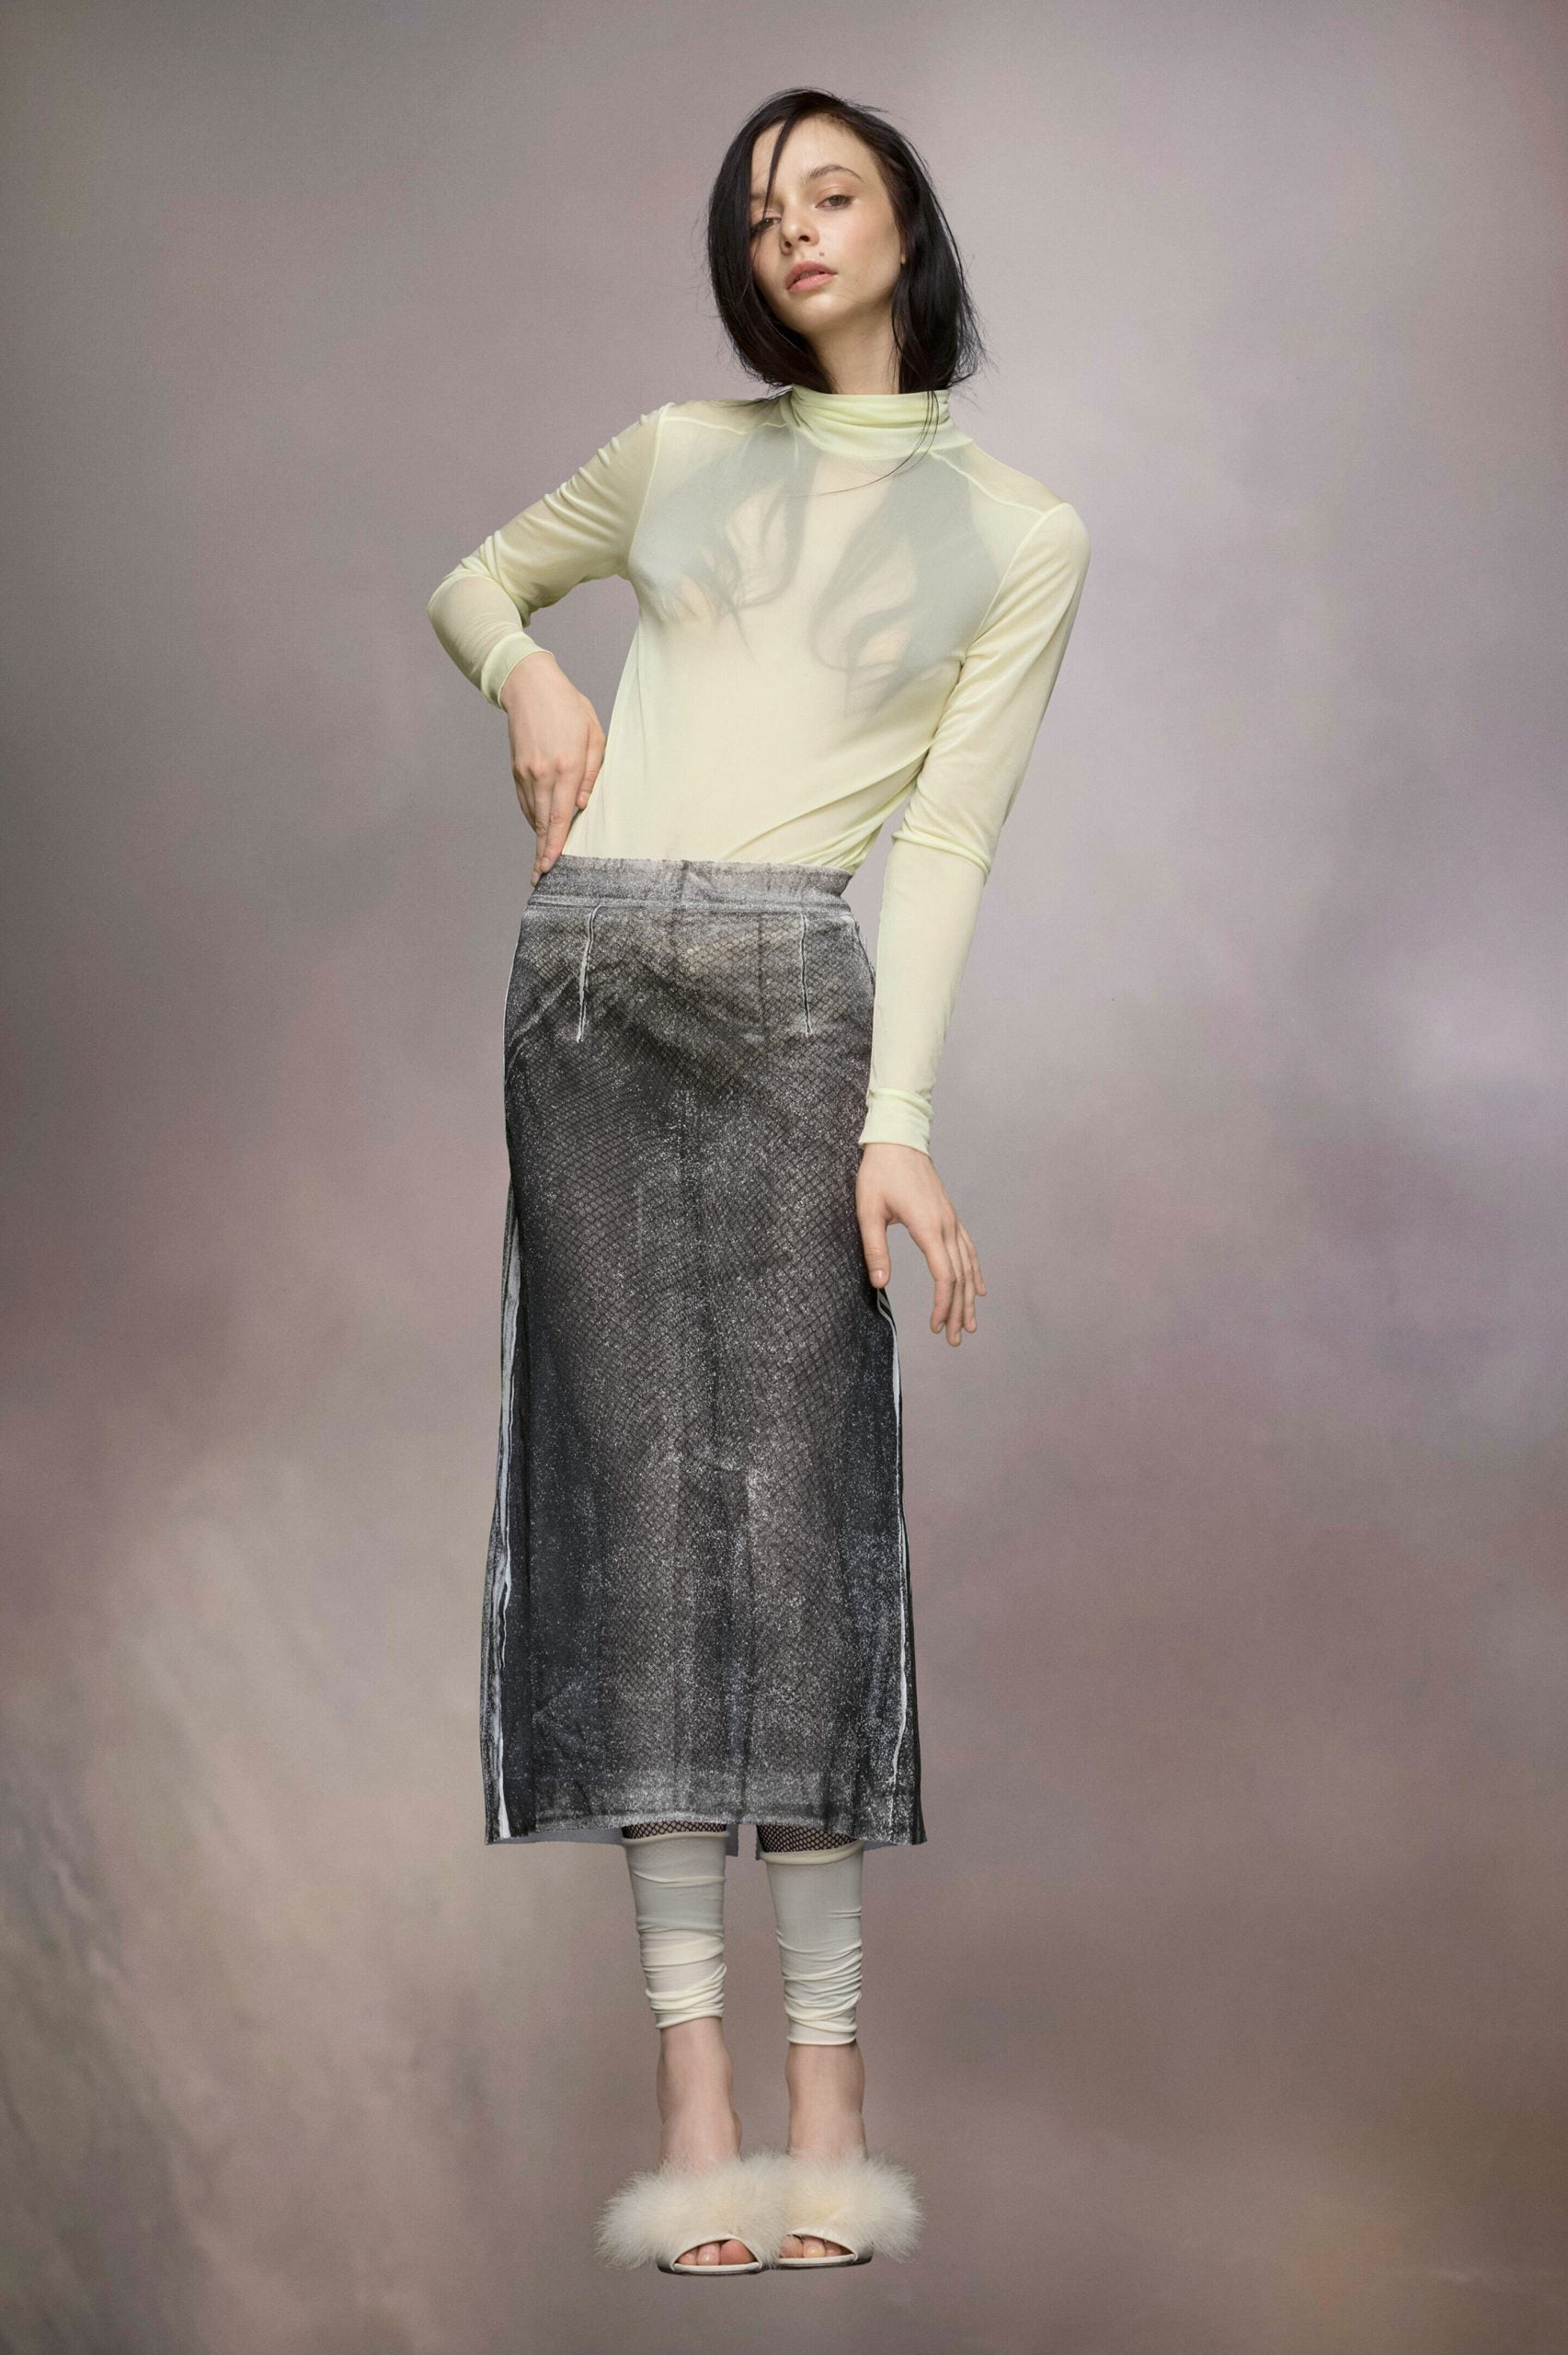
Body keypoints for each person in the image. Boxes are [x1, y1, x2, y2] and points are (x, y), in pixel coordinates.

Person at [426, 86, 1092, 2278]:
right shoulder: (675, 451)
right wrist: (530, 669)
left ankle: (828, 2077)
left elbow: (953, 837)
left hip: (796, 993)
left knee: (795, 1532)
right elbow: (472, 578)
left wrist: (898, 1118)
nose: (789, 228)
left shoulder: (1017, 533)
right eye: (757, 208)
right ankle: (691, 2086)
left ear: (903, 219)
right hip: (589, 991)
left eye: (829, 191)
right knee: (631, 1529)